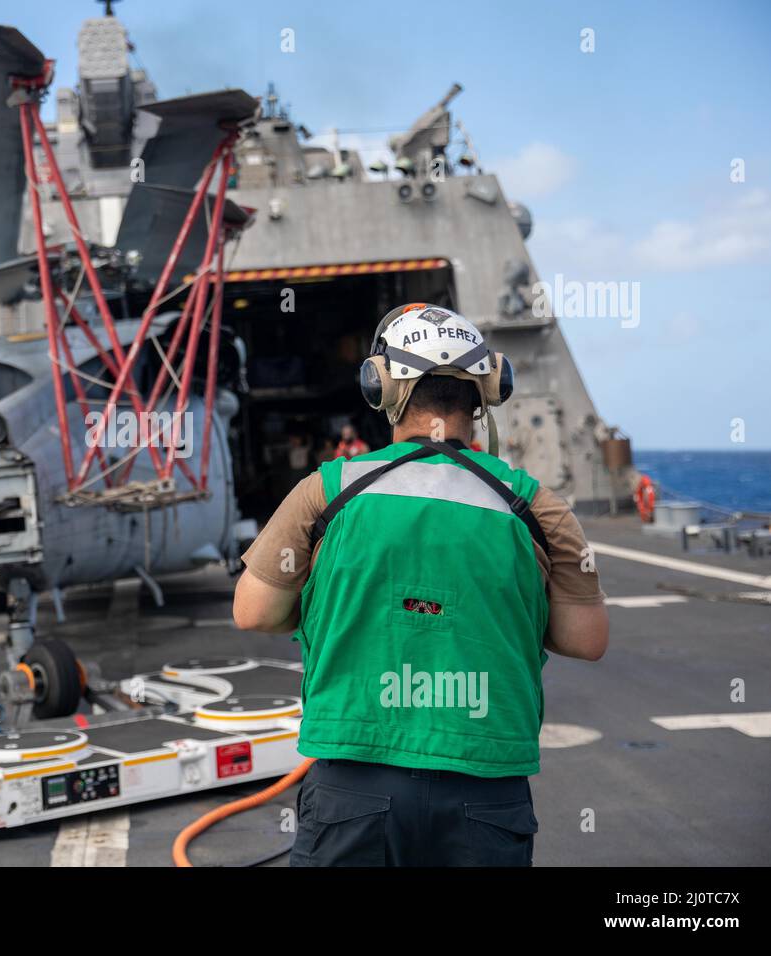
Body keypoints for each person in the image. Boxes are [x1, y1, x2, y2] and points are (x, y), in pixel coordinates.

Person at [234, 303, 609, 867]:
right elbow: (586, 638)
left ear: (381, 387)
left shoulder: (327, 492)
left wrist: (329, 606)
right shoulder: (537, 506)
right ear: (487, 390)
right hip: (485, 787)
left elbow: (256, 612)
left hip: (354, 782)